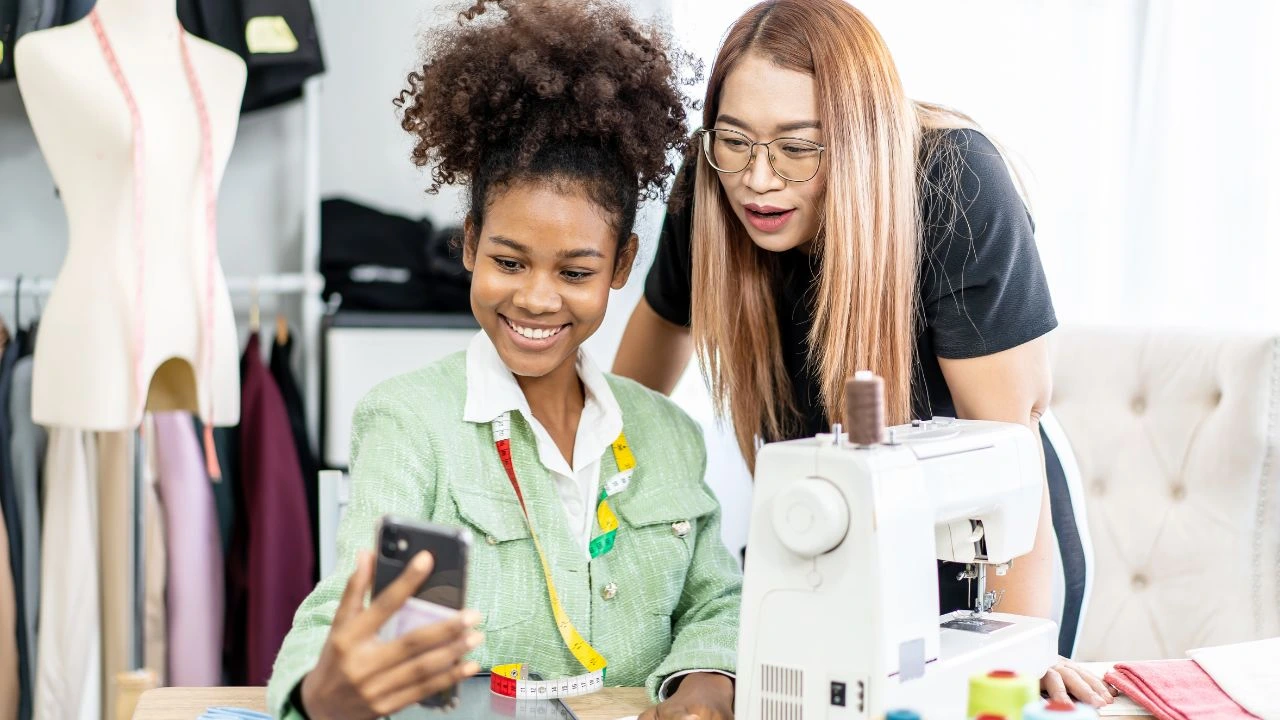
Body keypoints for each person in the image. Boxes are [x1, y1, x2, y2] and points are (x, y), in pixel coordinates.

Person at [611, 0, 1107, 707]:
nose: (757, 178)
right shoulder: (711, 188)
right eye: (736, 140)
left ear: (858, 137)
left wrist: (1021, 651)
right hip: (827, 529)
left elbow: (1007, 452)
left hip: (990, 555)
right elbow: (628, 406)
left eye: (798, 145)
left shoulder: (955, 184)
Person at [265, 2, 740, 719]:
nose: (537, 299)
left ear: (622, 265)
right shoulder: (408, 423)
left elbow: (718, 601)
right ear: (468, 246)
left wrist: (707, 682)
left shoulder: (669, 436)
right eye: (508, 262)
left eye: (575, 272)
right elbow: (341, 610)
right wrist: (321, 694)